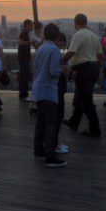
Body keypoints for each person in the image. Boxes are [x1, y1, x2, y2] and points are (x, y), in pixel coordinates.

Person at [62, 14, 103, 138]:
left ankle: (95, 129)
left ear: (76, 23)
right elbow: (100, 55)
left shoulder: (78, 34)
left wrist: (60, 61)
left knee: (86, 101)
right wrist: (99, 71)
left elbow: (71, 52)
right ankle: (74, 122)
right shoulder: (93, 35)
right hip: (93, 67)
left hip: (83, 69)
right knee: (81, 96)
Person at [32, 23, 67, 167]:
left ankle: (39, 150)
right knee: (51, 123)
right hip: (48, 90)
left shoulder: (41, 48)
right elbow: (53, 72)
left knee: (41, 121)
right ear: (57, 35)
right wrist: (63, 70)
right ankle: (50, 156)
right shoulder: (54, 50)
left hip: (38, 88)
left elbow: (35, 68)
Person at [54, 32, 69, 154]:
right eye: (58, 40)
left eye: (62, 41)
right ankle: (54, 144)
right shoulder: (56, 53)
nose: (60, 43)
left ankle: (55, 143)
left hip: (60, 87)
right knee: (57, 116)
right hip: (56, 87)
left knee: (59, 115)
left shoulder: (62, 53)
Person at [17, 19, 34, 100]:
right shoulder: (24, 33)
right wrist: (30, 43)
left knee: (24, 76)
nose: (32, 27)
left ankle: (23, 94)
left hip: (23, 58)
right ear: (27, 25)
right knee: (25, 77)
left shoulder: (25, 33)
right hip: (24, 58)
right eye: (31, 25)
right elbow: (20, 42)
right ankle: (24, 95)